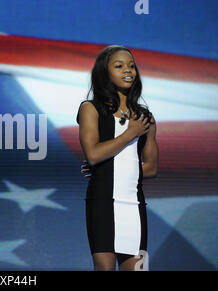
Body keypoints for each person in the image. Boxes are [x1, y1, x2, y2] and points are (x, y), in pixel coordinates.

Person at [76, 45, 159, 271]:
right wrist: (130, 133)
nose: (128, 70)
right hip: (101, 203)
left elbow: (151, 167)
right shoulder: (90, 109)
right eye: (119, 65)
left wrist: (115, 165)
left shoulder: (145, 118)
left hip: (134, 204)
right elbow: (92, 155)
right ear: (105, 72)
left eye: (132, 66)